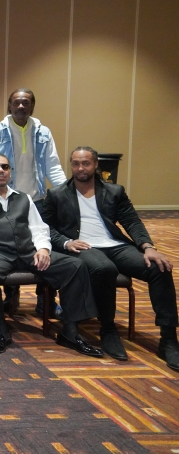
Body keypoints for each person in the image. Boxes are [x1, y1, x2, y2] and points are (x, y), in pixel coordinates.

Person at [40, 147, 178, 369]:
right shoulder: (57, 194)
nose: (80, 168)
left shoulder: (114, 191)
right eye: (76, 163)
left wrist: (148, 246)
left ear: (96, 165)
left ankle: (168, 338)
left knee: (158, 267)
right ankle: (108, 328)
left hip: (115, 245)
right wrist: (66, 242)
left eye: (86, 163)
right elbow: (45, 227)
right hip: (83, 246)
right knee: (104, 269)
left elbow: (131, 221)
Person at [0, 154, 101, 357]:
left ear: (10, 172)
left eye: (5, 167)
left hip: (28, 253)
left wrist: (43, 249)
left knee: (75, 266)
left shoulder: (23, 197)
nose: (1, 170)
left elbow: (38, 228)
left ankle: (70, 331)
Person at [0, 88, 67, 317]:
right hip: (6, 200)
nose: (21, 106)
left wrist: (67, 193)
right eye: (17, 102)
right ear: (9, 106)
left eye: (26, 103)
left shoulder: (43, 132)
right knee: (9, 246)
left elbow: (53, 165)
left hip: (37, 199)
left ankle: (45, 299)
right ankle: (11, 295)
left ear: (32, 106)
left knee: (42, 247)